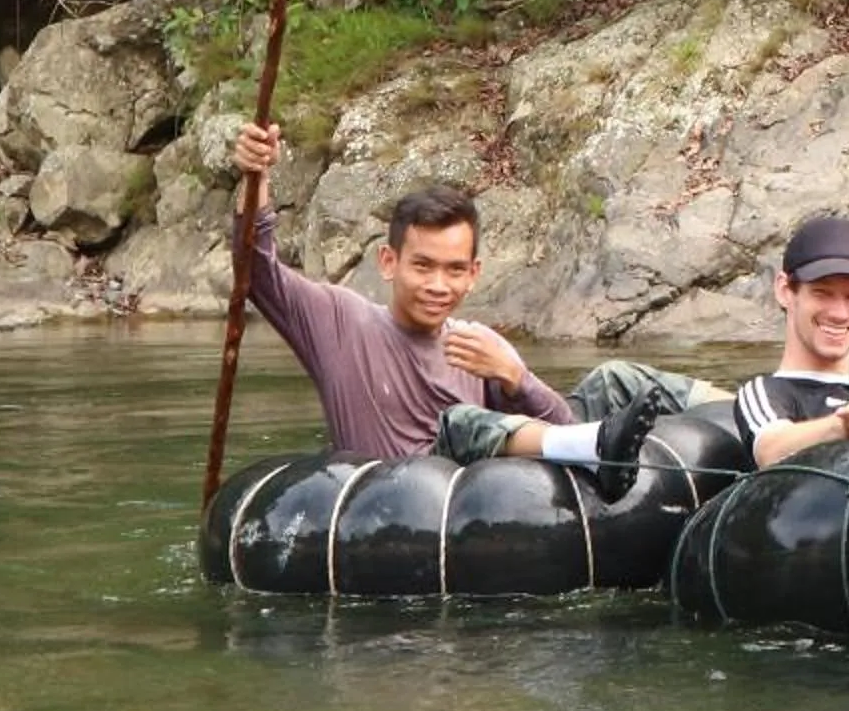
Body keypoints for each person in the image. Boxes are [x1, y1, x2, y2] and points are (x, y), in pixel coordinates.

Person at [231, 121, 687, 497]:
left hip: (479, 508)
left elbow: (564, 430)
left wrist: (515, 377)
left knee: (616, 377)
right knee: (461, 422)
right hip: (398, 503)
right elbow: (257, 270)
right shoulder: (339, 319)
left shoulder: (475, 343)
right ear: (389, 263)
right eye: (423, 266)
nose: (438, 285)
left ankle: (745, 410)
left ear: (474, 273)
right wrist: (257, 181)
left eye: (454, 270)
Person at [723, 214, 849, 467]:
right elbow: (771, 451)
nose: (839, 313)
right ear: (785, 291)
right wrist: (847, 427)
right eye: (822, 293)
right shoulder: (765, 393)